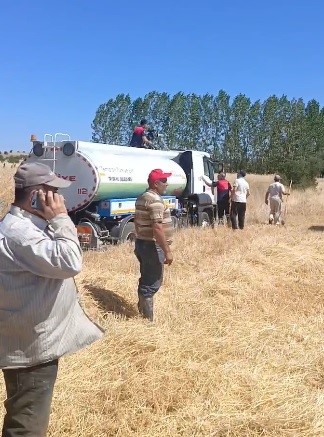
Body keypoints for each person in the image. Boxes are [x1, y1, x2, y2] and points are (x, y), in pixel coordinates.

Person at [0, 162, 104, 436]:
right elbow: (70, 261)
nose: (60, 199)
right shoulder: (21, 234)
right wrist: (60, 218)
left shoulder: (22, 228)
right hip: (30, 353)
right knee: (26, 425)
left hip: (28, 343)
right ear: (36, 196)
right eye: (54, 192)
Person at [134, 169, 174, 321]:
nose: (166, 184)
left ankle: (142, 310)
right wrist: (167, 251)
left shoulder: (142, 197)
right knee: (152, 283)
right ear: (156, 184)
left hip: (142, 244)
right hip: (152, 246)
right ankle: (147, 321)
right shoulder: (155, 201)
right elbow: (157, 228)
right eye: (164, 181)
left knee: (146, 278)